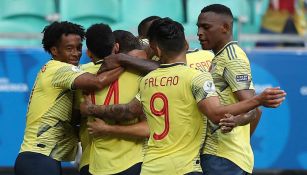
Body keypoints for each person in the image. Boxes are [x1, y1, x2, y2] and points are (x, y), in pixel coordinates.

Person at [80, 18, 286, 174]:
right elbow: (216, 114)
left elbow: (129, 110)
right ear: (186, 45)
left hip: (151, 166)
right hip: (185, 167)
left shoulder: (146, 81)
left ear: (157, 49)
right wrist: (258, 100)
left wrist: (94, 111)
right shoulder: (197, 77)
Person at [14, 21, 122, 175]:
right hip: (39, 160)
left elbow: (75, 120)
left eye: (79, 48)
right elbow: (98, 82)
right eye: (69, 48)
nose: (76, 53)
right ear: (54, 50)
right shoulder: (60, 69)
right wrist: (126, 63)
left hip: (39, 159)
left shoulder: (55, 71)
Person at [197, 4, 263, 174]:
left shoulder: (232, 57)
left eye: (206, 27)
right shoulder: (220, 57)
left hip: (222, 157)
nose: (199, 32)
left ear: (225, 27)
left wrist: (236, 123)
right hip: (222, 156)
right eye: (198, 26)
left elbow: (253, 108)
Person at [79, 24, 148, 175]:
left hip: (93, 164)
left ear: (89, 53)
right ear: (116, 47)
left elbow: (74, 118)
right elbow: (147, 128)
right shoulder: (141, 74)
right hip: (133, 162)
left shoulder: (80, 76)